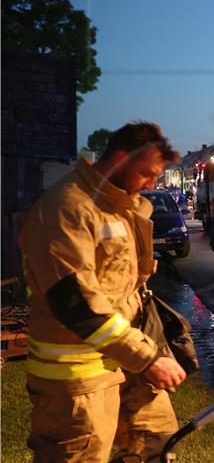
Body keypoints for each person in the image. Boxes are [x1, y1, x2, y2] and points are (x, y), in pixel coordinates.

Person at [18, 121, 186, 461]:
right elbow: (77, 304)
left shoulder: (117, 205)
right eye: (147, 173)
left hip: (123, 362)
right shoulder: (67, 209)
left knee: (157, 444)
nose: (153, 183)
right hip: (77, 382)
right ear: (120, 159)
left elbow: (125, 284)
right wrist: (148, 358)